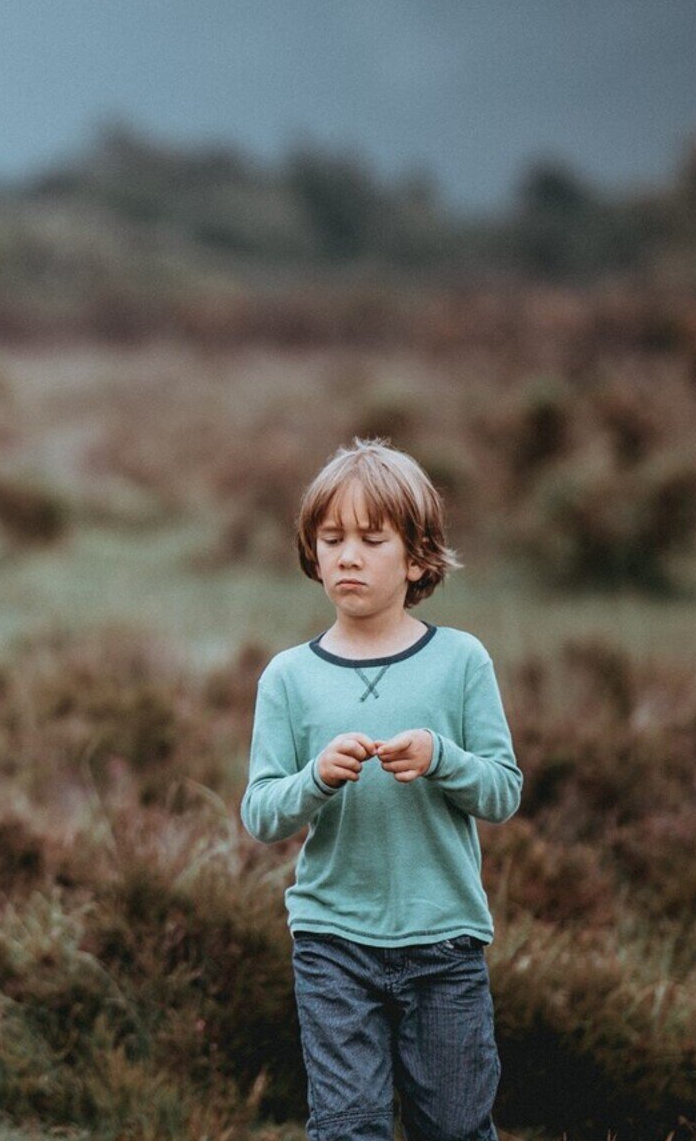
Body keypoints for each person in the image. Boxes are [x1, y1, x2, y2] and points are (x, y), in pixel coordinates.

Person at [241, 438, 521, 1141]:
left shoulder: (461, 660)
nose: (348, 556)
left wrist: (440, 757)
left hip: (446, 943)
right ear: (312, 554)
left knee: (455, 1129)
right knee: (348, 1129)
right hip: (332, 942)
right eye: (331, 539)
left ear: (418, 558)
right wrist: (315, 779)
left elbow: (502, 792)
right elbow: (261, 813)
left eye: (372, 540)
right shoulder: (288, 677)